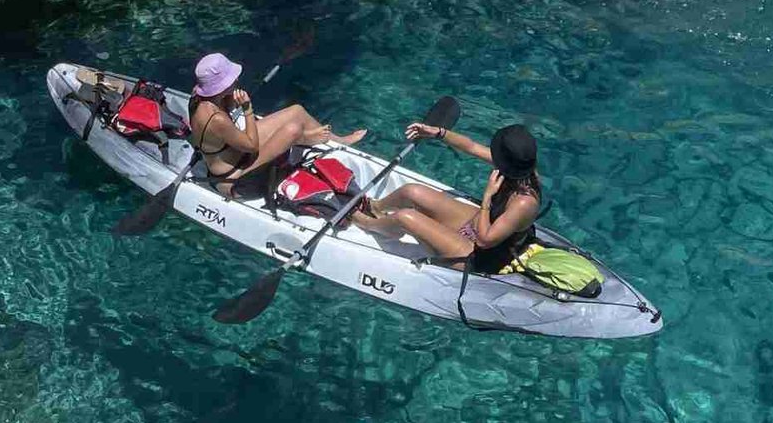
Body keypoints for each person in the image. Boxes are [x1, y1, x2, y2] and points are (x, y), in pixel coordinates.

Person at [353, 120, 543, 273]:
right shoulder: (517, 168)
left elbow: (485, 241)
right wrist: (438, 132)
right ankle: (375, 207)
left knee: (405, 217)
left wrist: (487, 197)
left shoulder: (524, 202)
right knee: (411, 191)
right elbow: (472, 147)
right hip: (472, 225)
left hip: (478, 255)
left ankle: (367, 224)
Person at [187, 52, 365, 190]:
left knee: (296, 111)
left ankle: (339, 140)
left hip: (238, 153)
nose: (236, 79)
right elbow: (252, 146)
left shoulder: (198, 97)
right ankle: (307, 137)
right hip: (233, 175)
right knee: (292, 130)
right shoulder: (216, 119)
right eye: (232, 78)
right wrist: (248, 110)